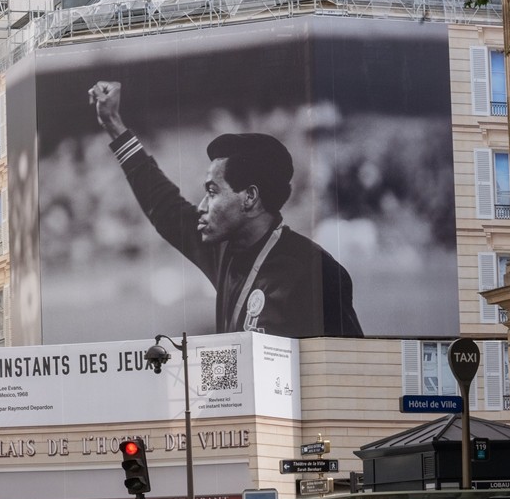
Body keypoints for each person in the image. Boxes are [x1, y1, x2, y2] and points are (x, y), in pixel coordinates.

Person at [89, 81, 363, 339]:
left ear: (250, 197)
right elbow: (165, 206)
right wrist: (113, 124)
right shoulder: (223, 251)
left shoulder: (316, 274)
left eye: (212, 191)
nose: (202, 205)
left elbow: (350, 371)